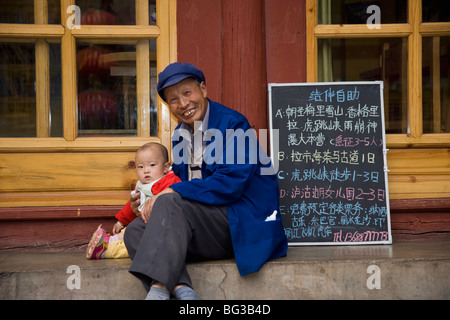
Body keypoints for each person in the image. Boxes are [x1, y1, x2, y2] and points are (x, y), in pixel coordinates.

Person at [124, 62, 288, 300]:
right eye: (173, 100)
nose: (183, 104)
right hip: (205, 225)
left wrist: (170, 194)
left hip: (240, 223)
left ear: (203, 89)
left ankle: (159, 290)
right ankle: (183, 290)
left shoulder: (234, 125)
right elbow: (177, 183)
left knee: (170, 202)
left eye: (187, 93)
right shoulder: (181, 134)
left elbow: (230, 185)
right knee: (135, 231)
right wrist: (147, 202)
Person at [85, 142, 181, 260]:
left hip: (162, 227)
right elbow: (132, 206)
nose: (146, 170)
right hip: (143, 224)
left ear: (166, 167)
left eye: (152, 165)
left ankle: (107, 250)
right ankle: (109, 241)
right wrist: (121, 221)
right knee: (128, 232)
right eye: (140, 167)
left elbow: (179, 194)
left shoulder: (169, 181)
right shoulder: (141, 186)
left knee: (135, 242)